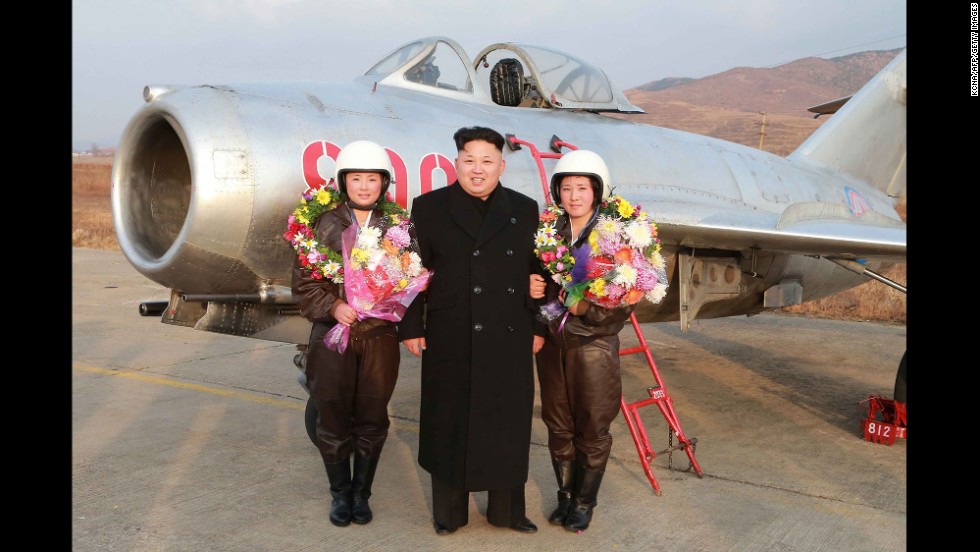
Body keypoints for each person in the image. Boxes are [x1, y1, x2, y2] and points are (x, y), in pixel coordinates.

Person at [399, 126, 546, 535]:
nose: (477, 169)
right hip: (451, 329)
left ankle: (508, 512)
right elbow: (410, 271)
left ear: (501, 166)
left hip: (510, 330)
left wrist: (538, 325)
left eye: (486, 161)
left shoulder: (525, 208)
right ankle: (449, 514)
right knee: (449, 419)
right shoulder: (429, 207)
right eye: (469, 160)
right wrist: (410, 326)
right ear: (456, 163)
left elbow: (540, 270)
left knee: (508, 421)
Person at [291, 140, 405, 528]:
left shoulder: (398, 228)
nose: (364, 186)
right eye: (356, 178)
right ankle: (340, 494)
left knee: (373, 417)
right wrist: (334, 306)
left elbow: (410, 276)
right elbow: (304, 284)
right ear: (343, 182)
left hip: (378, 337)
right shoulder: (324, 224)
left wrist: (386, 299)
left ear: (383, 182)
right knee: (333, 417)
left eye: (372, 179)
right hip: (331, 337)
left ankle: (362, 494)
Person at [531, 150, 635, 532]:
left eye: (582, 188)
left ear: (597, 191)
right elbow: (540, 284)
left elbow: (626, 298)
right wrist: (533, 287)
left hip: (593, 347)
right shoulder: (549, 233)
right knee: (557, 424)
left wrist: (585, 309)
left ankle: (584, 502)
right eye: (566, 188)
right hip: (553, 347)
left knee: (592, 427)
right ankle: (565, 496)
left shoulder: (613, 237)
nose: (573, 196)